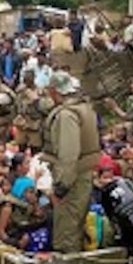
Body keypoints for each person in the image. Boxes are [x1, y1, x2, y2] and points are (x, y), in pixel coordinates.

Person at [40, 71, 101, 253]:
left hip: (72, 176)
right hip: (83, 173)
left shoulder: (67, 115)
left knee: (66, 227)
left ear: (53, 91)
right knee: (76, 222)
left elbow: (69, 155)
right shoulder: (85, 108)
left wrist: (61, 186)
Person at [13, 69, 49, 151]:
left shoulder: (41, 91)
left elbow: (46, 107)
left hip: (35, 123)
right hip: (22, 122)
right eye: (25, 79)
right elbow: (15, 106)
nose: (27, 82)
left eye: (29, 79)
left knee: (35, 147)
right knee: (21, 146)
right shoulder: (20, 91)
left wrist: (36, 100)